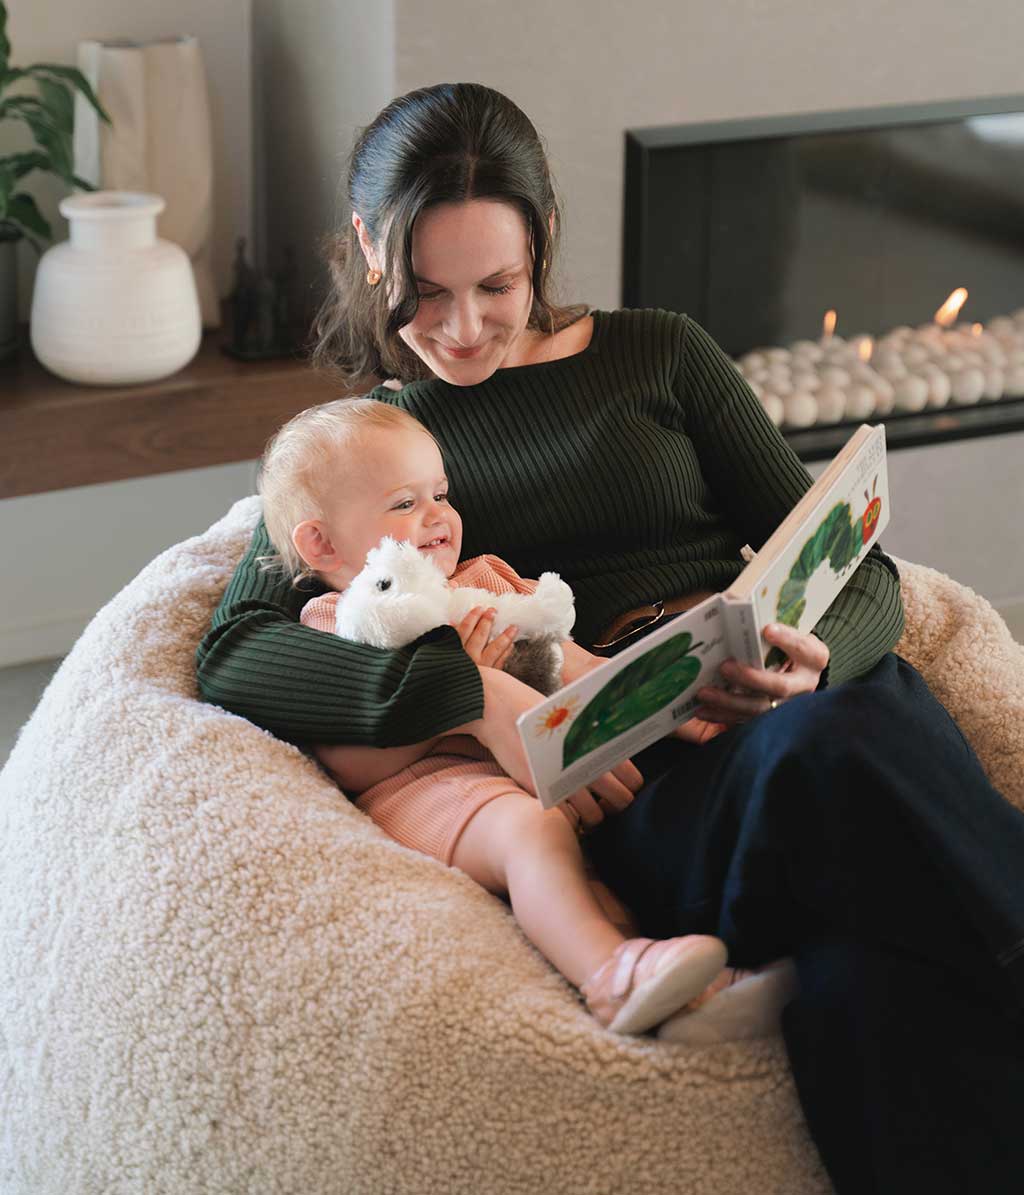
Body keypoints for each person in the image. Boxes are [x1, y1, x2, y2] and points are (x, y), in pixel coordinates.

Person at [197, 83, 1024, 1192]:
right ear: (368, 248)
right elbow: (237, 649)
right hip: (655, 778)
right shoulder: (376, 447)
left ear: (542, 240)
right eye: (426, 294)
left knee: (864, 980)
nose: (462, 327)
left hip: (805, 705)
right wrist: (475, 697)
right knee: (828, 761)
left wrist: (817, 651)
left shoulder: (661, 355)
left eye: (495, 284)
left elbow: (856, 570)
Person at [256, 394, 796, 1036]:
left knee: (599, 873)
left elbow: (581, 667)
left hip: (540, 774)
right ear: (320, 543)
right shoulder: (336, 625)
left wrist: (686, 705)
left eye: (441, 493)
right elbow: (351, 761)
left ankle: (683, 994)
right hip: (434, 793)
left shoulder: (485, 583)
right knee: (532, 830)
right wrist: (457, 698)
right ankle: (609, 975)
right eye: (405, 503)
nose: (438, 516)